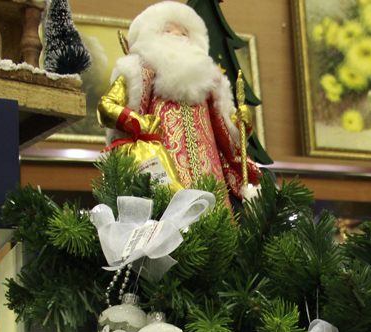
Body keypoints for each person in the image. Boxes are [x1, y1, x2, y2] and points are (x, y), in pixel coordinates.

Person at [97, 1, 260, 204]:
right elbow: (107, 107)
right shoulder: (139, 71)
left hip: (211, 178)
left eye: (184, 33)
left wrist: (243, 123)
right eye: (168, 31)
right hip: (161, 173)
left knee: (218, 220)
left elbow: (225, 129)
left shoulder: (210, 80)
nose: (177, 36)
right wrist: (137, 122)